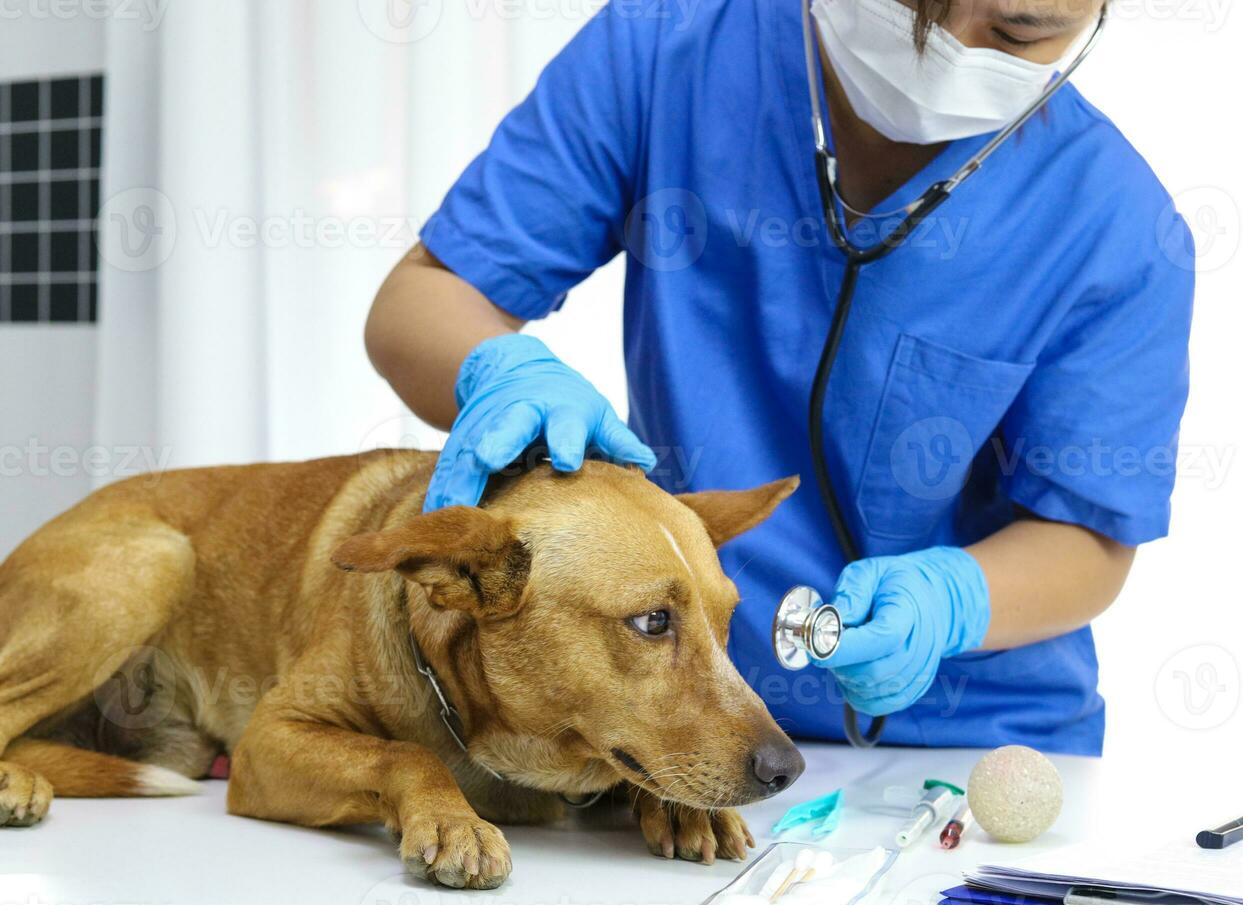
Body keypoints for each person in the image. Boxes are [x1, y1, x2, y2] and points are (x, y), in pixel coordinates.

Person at [365, 0, 1194, 753]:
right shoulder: (668, 49)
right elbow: (422, 299)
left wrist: (954, 600)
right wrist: (500, 371)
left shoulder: (1115, 222)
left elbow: (1089, 537)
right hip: (669, 736)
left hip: (978, 749)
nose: (944, 49)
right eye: (910, 5)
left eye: (1018, 32)